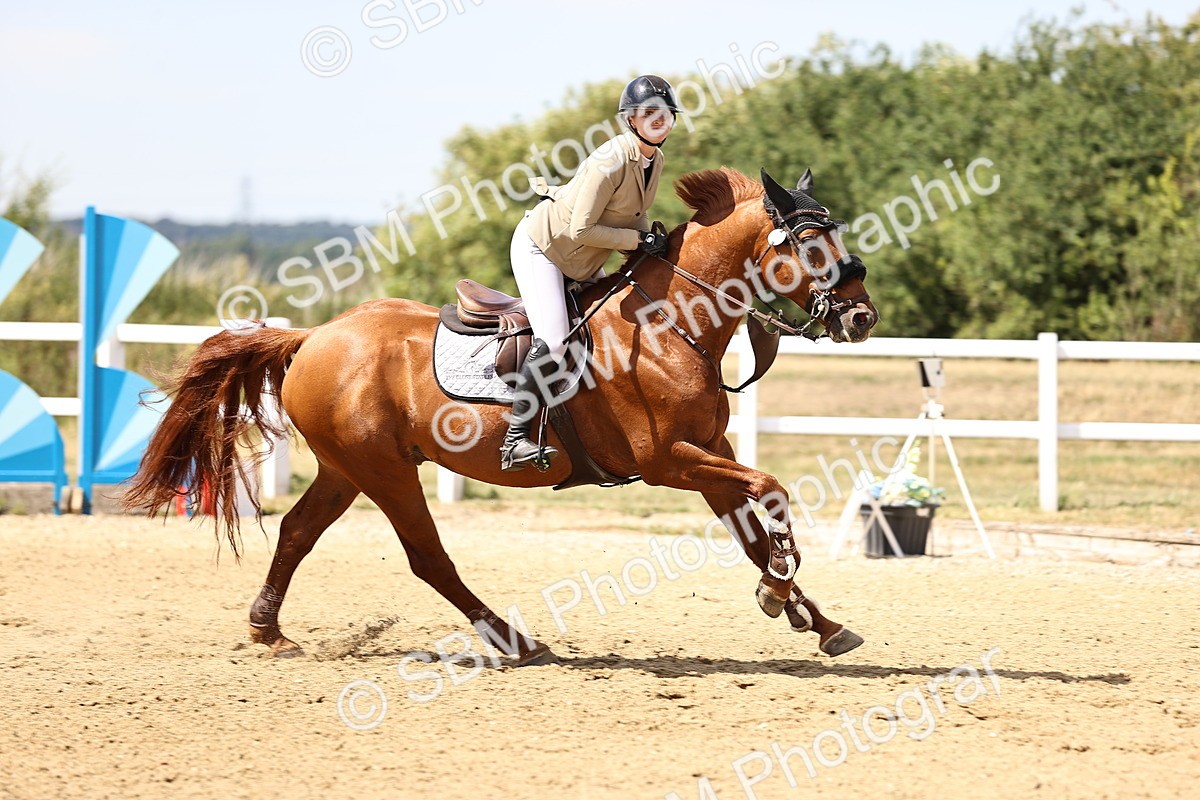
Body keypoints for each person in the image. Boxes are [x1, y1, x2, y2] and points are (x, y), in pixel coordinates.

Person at [500, 74, 679, 471]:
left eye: (665, 114)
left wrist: (650, 235)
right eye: (650, 114)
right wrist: (636, 243)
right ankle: (515, 439)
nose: (659, 121)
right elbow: (581, 229)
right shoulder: (609, 161)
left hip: (582, 259)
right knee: (555, 342)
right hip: (544, 249)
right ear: (631, 120)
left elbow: (635, 212)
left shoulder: (655, 159)